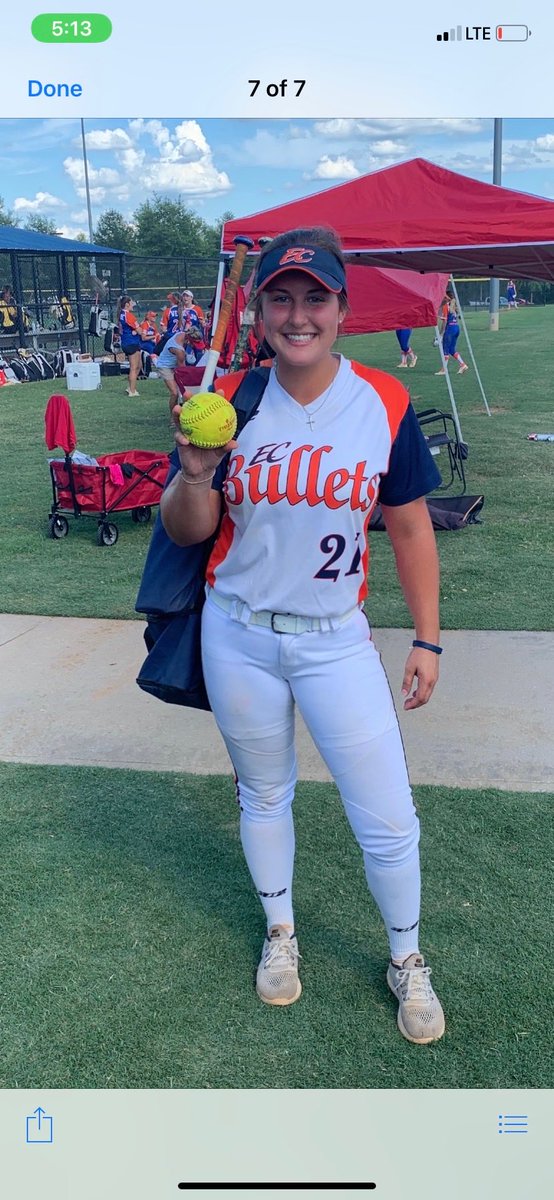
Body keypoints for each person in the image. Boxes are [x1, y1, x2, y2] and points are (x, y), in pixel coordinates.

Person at [161, 226, 446, 1045]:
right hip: (239, 632)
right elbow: (187, 534)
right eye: (280, 298)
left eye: (313, 297)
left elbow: (411, 526)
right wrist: (193, 474)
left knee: (386, 813)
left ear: (341, 309)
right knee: (264, 793)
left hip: (334, 639)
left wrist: (427, 638)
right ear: (258, 312)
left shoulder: (382, 401)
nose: (297, 314)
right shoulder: (233, 403)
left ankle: (406, 957)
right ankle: (281, 932)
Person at [436, 290, 468, 375]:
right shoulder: (453, 305)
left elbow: (444, 321)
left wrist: (440, 335)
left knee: (445, 350)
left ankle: (444, 370)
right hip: (456, 328)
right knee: (452, 349)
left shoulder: (446, 306)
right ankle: (463, 364)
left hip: (450, 329)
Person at [155, 329, 187, 411]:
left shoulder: (182, 334)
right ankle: (173, 418)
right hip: (164, 366)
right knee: (174, 393)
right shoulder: (179, 350)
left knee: (181, 391)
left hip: (173, 365)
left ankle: (181, 411)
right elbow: (182, 370)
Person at [116, 295, 142, 396]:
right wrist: (137, 330)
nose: (133, 305)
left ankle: (130, 386)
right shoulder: (128, 315)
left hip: (127, 342)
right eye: (131, 303)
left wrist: (135, 331)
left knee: (139, 365)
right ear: (127, 305)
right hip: (131, 342)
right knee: (133, 367)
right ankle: (132, 391)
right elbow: (139, 330)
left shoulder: (120, 314)